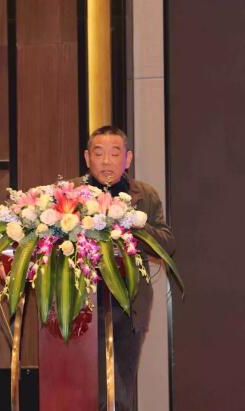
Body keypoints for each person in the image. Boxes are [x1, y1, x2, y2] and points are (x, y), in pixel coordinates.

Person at [72, 125, 175, 410]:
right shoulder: (70, 194)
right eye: (98, 153)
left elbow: (167, 243)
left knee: (120, 390)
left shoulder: (145, 195)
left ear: (127, 159)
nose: (106, 161)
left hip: (129, 305)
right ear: (87, 157)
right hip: (81, 304)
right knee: (86, 390)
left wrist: (133, 224)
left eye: (115, 153)